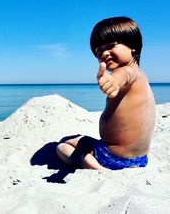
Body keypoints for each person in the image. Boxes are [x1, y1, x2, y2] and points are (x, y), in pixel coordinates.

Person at [56, 16, 156, 170]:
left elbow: (123, 76)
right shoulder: (141, 76)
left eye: (111, 46)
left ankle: (88, 163)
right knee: (73, 139)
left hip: (111, 156)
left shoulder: (129, 72)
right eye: (99, 51)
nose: (104, 53)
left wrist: (112, 82)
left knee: (62, 147)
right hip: (140, 159)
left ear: (133, 46)